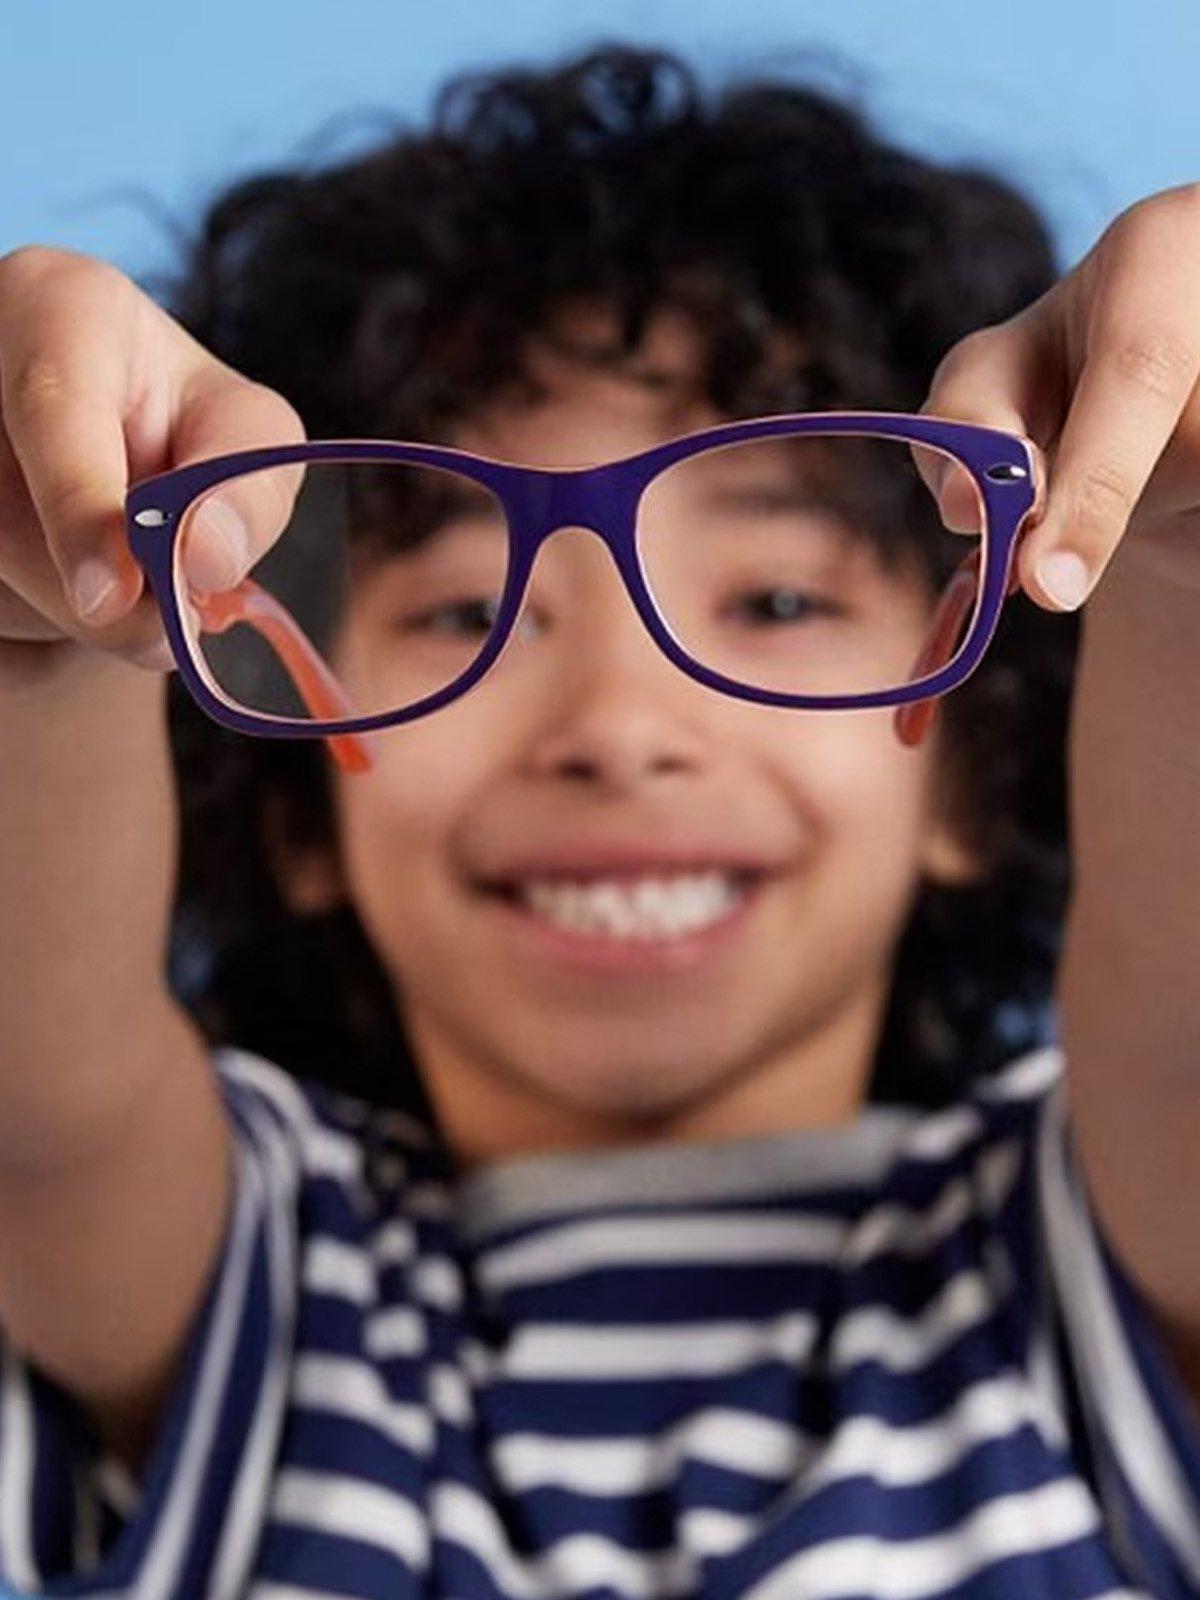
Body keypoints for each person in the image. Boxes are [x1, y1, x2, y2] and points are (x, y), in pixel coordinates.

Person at [1, 38, 1199, 1600]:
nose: (618, 733)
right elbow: (41, 1108)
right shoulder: (255, 1281)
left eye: (775, 600)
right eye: (460, 613)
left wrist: (1172, 541)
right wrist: (55, 614)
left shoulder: (1091, 1248)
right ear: (290, 802)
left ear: (972, 775)